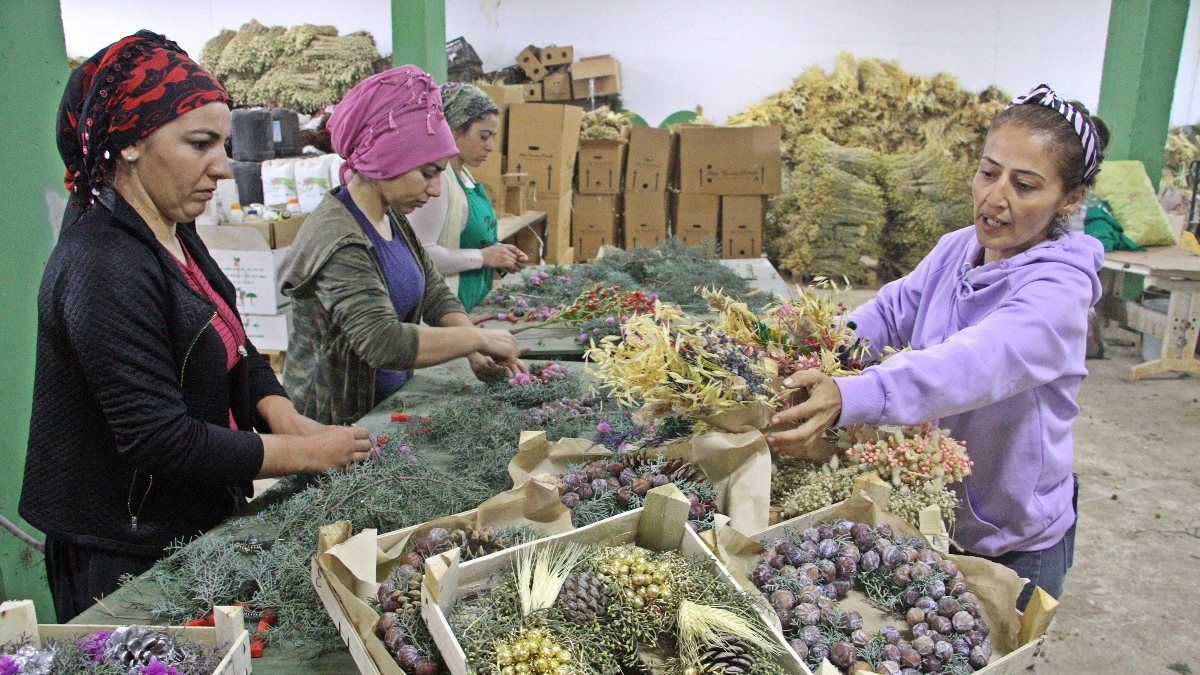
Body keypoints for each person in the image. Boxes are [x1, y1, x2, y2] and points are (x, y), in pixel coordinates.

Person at [22, 31, 370, 622]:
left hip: (186, 523)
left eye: (224, 144)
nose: (224, 168)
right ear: (130, 143)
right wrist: (305, 454)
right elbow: (160, 438)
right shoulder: (103, 264)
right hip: (128, 554)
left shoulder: (173, 231)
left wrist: (280, 412)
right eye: (200, 144)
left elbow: (236, 345)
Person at [768, 84, 1108, 610]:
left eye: (1024, 185)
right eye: (988, 173)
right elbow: (891, 312)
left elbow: (974, 363)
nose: (995, 197)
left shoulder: (1059, 293)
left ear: (1069, 198)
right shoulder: (958, 247)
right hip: (934, 514)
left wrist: (855, 394)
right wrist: (823, 345)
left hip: (1011, 538)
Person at [279, 66, 527, 426]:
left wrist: (473, 347)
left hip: (382, 409)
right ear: (387, 159)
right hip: (333, 425)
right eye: (427, 174)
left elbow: (434, 292)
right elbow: (383, 341)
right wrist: (475, 338)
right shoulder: (339, 238)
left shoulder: (391, 215)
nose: (436, 189)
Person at [407, 82, 528, 310]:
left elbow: (465, 240)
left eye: (493, 137)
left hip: (471, 305)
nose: (490, 146)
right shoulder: (439, 182)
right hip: (445, 311)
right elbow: (421, 254)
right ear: (454, 129)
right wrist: (483, 257)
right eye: (483, 136)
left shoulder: (465, 176)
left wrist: (500, 254)